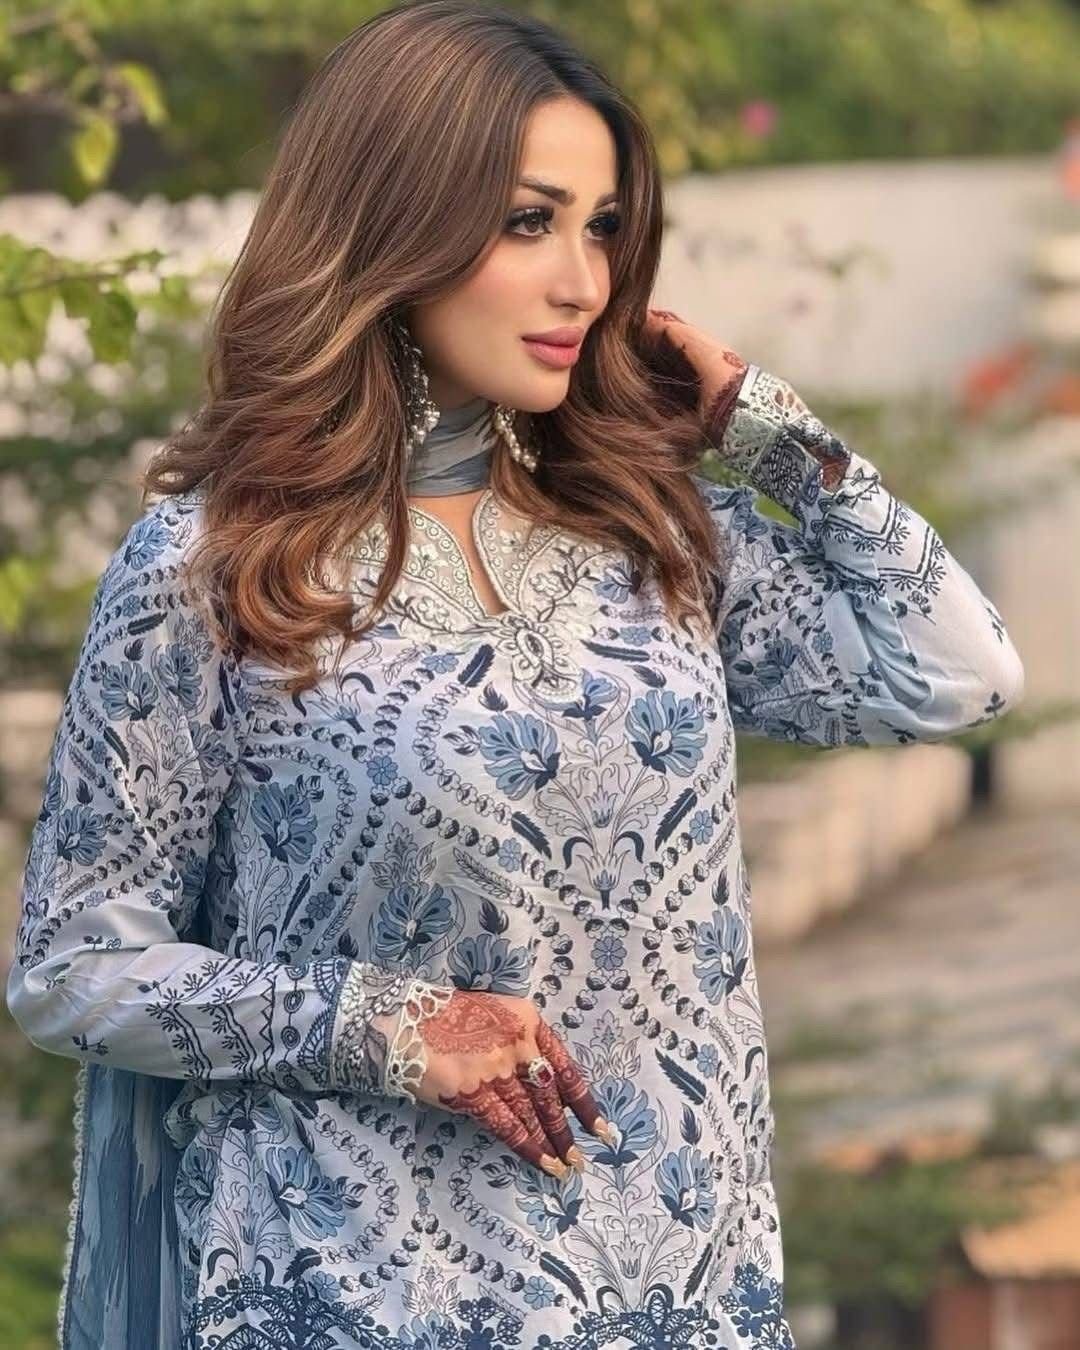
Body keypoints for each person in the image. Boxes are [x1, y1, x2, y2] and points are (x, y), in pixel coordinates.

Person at [5, 3, 1025, 1347]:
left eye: (604, 229)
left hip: (680, 1292)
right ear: (393, 224)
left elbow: (958, 671)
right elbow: (75, 963)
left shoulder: (652, 539)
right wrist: (389, 1026)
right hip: (349, 1293)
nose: (584, 282)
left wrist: (767, 430)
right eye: (530, 221)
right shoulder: (222, 564)